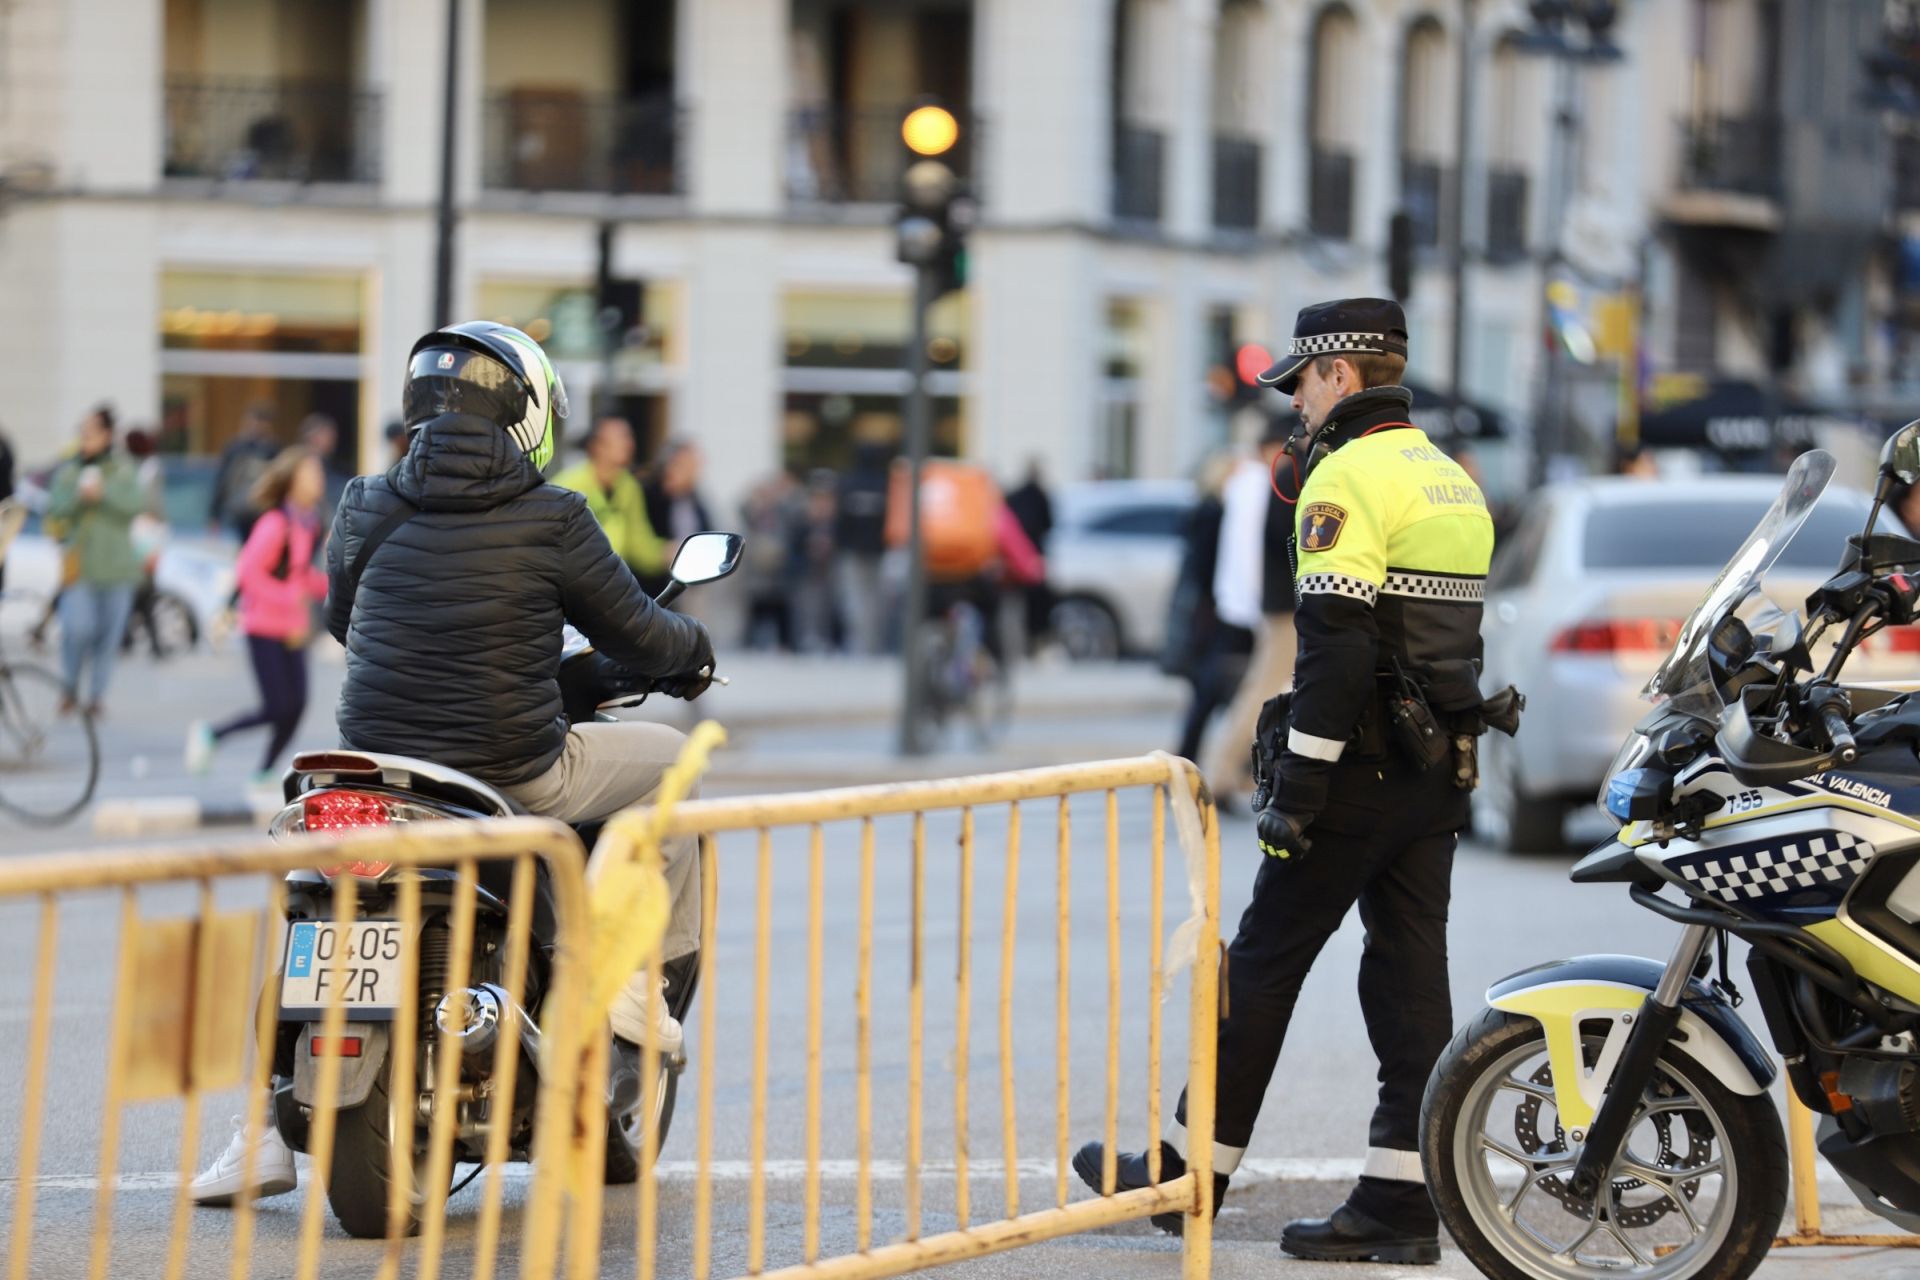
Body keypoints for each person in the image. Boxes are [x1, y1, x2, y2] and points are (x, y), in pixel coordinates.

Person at [191, 321, 715, 1206]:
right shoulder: (556, 514)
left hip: (370, 770)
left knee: (317, 914)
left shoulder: (364, 500)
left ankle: (257, 1134)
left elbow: (341, 620)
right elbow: (642, 631)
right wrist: (692, 652)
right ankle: (635, 990)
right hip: (507, 767)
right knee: (671, 764)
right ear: (530, 413)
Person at [1075, 299, 1497, 1266]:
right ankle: (1401, 1198)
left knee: (1260, 965)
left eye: (1301, 383)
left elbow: (1338, 651)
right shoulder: (1450, 479)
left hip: (1354, 770)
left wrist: (1298, 791)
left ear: (1341, 375)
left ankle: (1184, 1182)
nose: (1297, 404)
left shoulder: (1343, 479)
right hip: (1438, 770)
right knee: (1407, 976)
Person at [184, 448, 330, 785]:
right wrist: (289, 599)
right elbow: (248, 573)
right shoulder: (275, 522)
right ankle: (211, 735)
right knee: (277, 707)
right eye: (310, 473)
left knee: (297, 706)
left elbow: (298, 575)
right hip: (264, 626)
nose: (317, 480)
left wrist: (330, 586)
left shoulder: (307, 522)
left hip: (292, 627)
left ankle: (264, 770)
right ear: (291, 480)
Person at [1199, 420, 1297, 808]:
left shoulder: (1261, 480)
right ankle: (1221, 772)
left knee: (1265, 690)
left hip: (1275, 602)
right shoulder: (1276, 479)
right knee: (1262, 692)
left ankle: (1229, 772)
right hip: (1282, 604)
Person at [45, 406, 146, 716]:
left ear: (106, 435)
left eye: (91, 432)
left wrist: (103, 494)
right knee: (77, 629)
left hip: (118, 568)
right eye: (82, 432)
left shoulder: (123, 469)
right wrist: (79, 496)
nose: (85, 438)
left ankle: (96, 697)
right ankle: (69, 688)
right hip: (80, 567)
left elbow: (136, 505)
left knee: (108, 636)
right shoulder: (69, 470)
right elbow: (55, 508)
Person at [1167, 452, 1251, 763]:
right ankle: (1217, 763)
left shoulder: (1205, 510)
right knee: (1213, 693)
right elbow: (1208, 569)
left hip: (1205, 613)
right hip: (1212, 613)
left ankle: (1196, 758)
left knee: (1209, 695)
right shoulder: (1216, 514)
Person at [552, 416, 668, 580]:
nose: (630, 444)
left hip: (611, 585)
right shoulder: (568, 485)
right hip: (571, 585)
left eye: (629, 437)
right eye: (622, 437)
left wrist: (669, 553)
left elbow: (639, 545)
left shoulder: (629, 488)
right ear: (597, 446)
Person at [834, 441, 892, 654]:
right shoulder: (885, 483)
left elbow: (840, 521)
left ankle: (859, 644)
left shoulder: (848, 482)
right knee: (876, 601)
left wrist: (839, 544)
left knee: (855, 599)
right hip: (878, 550)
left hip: (854, 551)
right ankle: (872, 644)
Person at [642, 438, 713, 593]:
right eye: (689, 465)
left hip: (688, 582)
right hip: (653, 583)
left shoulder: (695, 499)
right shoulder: (649, 495)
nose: (695, 471)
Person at [1004, 460, 1055, 653]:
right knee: (1036, 603)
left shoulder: (1014, 496)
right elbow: (1050, 524)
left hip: (1012, 557)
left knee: (1014, 603)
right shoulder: (1041, 496)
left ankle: (1019, 644)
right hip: (1032, 556)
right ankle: (1032, 641)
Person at [209, 405, 279, 540]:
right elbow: (222, 481)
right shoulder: (236, 448)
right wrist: (215, 514)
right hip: (239, 511)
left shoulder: (272, 449)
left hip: (260, 510)